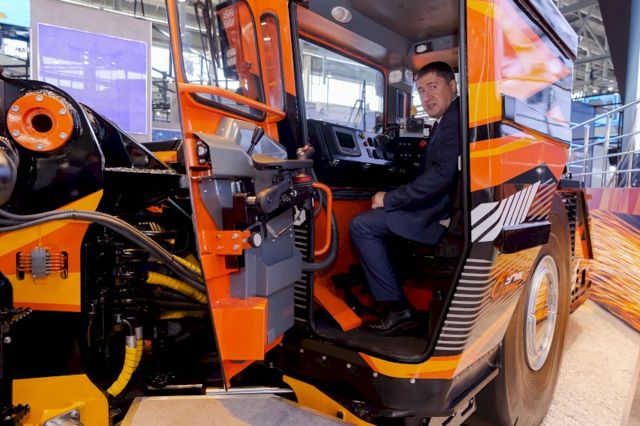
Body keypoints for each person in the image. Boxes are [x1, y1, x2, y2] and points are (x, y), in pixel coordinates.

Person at [349, 61, 461, 335]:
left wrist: (389, 198)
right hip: (438, 206)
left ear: (453, 86)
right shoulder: (446, 121)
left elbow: (441, 176)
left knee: (361, 225)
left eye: (432, 87)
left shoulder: (453, 122)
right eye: (421, 90)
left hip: (437, 215)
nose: (426, 96)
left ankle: (398, 310)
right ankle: (386, 292)